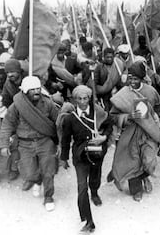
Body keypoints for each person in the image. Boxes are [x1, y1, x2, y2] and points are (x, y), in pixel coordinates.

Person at [0, 76, 59, 211]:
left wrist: (60, 142)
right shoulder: (17, 106)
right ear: (25, 91)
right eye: (32, 89)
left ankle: (48, 197)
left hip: (45, 141)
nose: (36, 91)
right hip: (25, 144)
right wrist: (4, 144)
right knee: (29, 174)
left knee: (48, 171)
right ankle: (37, 180)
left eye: (38, 88)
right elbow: (7, 124)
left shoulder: (48, 103)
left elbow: (58, 122)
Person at [107, 62, 160, 202]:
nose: (132, 82)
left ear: (142, 78)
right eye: (130, 78)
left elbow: (159, 110)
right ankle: (136, 190)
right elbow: (112, 116)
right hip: (130, 133)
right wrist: (128, 117)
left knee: (149, 162)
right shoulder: (123, 94)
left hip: (148, 132)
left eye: (135, 79)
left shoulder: (151, 91)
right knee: (132, 161)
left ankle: (144, 177)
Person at [61, 85, 113, 233]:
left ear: (89, 98)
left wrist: (104, 137)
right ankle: (88, 221)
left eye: (85, 98)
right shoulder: (70, 118)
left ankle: (95, 192)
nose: (83, 102)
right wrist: (64, 158)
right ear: (74, 100)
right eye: (79, 99)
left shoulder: (98, 113)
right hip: (80, 155)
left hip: (97, 153)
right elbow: (65, 139)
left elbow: (110, 124)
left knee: (95, 177)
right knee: (82, 187)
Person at [1, 58, 23, 181]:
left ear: (19, 71)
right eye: (7, 72)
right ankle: (14, 168)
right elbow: (5, 100)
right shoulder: (8, 84)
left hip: (33, 115)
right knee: (14, 142)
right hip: (17, 116)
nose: (9, 75)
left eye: (12, 72)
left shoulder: (29, 78)